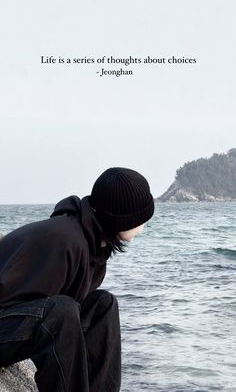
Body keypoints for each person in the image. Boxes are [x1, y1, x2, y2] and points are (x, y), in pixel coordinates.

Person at [0, 167, 154, 392]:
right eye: (140, 217)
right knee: (60, 312)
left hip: (15, 322)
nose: (144, 224)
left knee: (103, 304)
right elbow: (24, 303)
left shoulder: (91, 243)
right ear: (120, 217)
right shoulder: (66, 240)